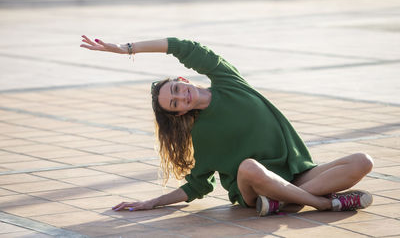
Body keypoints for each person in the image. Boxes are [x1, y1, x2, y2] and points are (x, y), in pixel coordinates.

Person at [80, 35, 374, 216]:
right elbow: (197, 186)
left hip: (296, 175)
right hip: (254, 191)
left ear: (182, 80)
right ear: (179, 114)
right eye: (175, 104)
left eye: (177, 90)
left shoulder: (228, 81)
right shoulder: (199, 134)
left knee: (363, 161)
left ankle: (286, 203)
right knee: (248, 166)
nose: (182, 98)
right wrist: (152, 202)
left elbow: (182, 46)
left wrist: (125, 48)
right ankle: (323, 204)